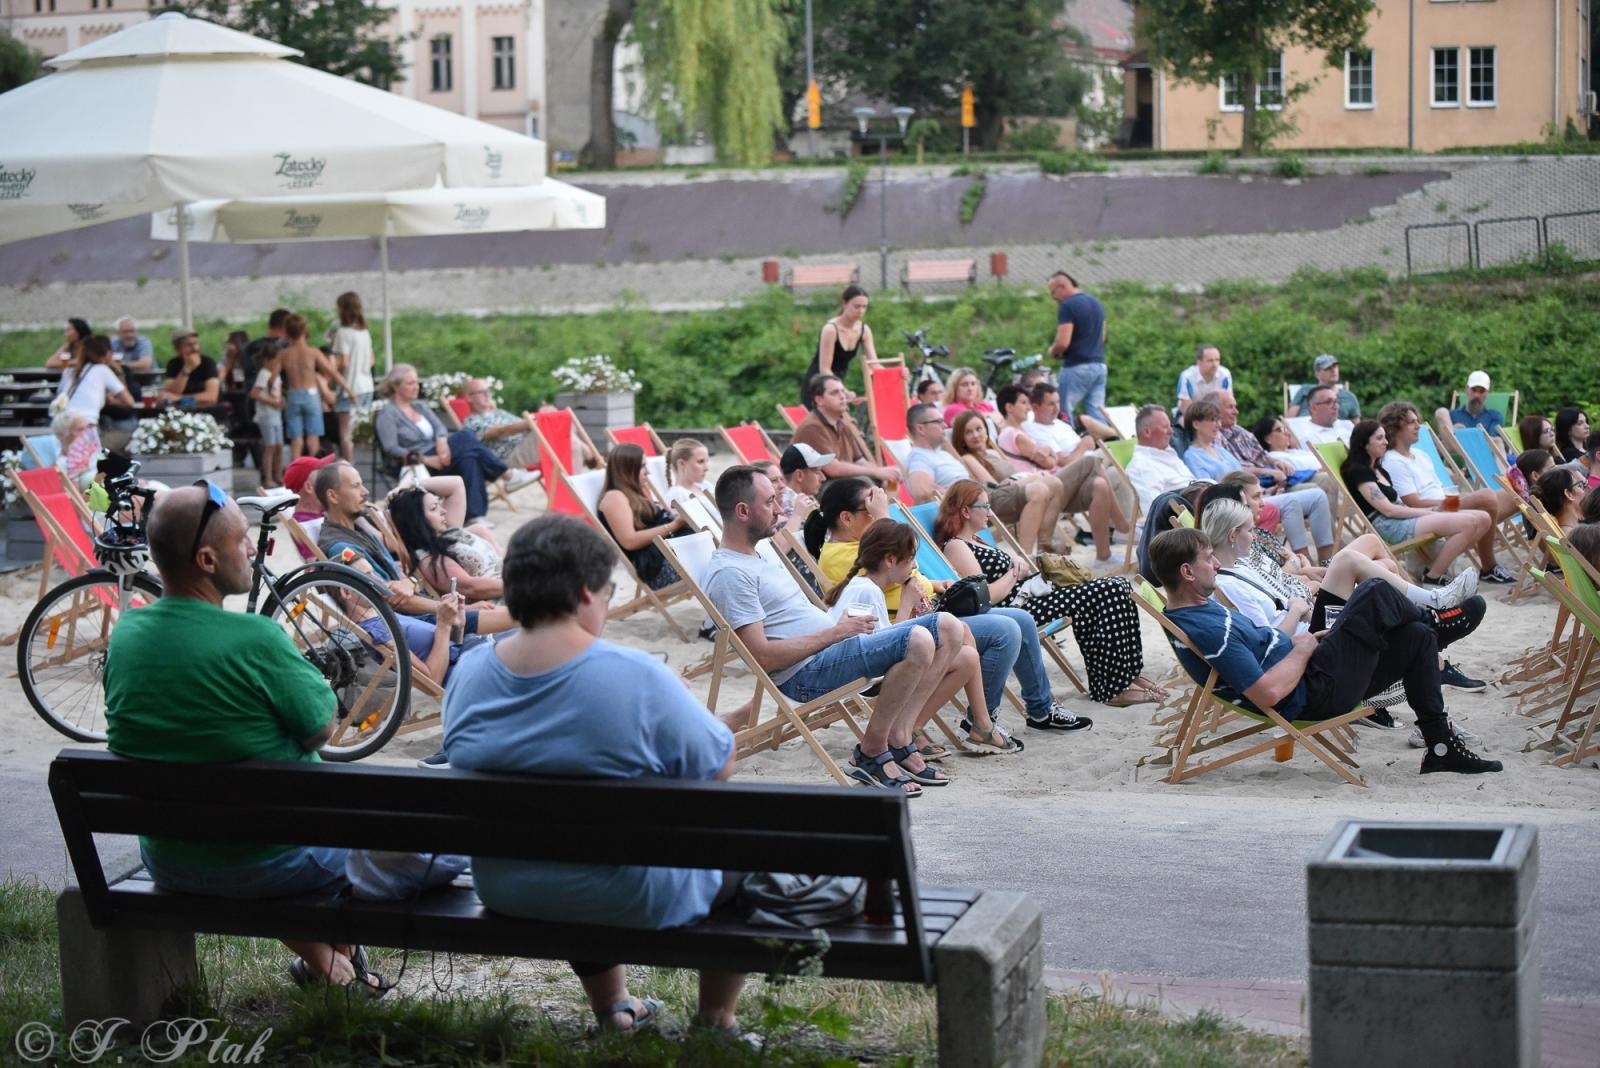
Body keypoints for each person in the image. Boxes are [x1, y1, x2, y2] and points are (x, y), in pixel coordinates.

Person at [442, 513, 746, 1036]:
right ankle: (716, 1021)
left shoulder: (469, 671)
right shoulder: (637, 674)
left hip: (506, 886)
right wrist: (676, 696)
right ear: (586, 594)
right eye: (608, 592)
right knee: (743, 852)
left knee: (571, 847)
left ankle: (614, 1009)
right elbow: (718, 765)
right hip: (627, 892)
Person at [103, 484, 394, 994]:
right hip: (274, 860)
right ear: (207, 558)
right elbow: (322, 728)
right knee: (367, 837)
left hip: (170, 859)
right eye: (241, 541)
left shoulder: (125, 636)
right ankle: (339, 962)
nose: (254, 552)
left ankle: (331, 967)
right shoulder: (257, 640)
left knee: (250, 831)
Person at [1151, 527, 1501, 775]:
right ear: (1187, 572)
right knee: (1374, 591)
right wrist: (1302, 650)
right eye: (1209, 560)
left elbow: (1265, 649)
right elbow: (1267, 692)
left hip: (1314, 670)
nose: (1216, 565)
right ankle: (1436, 617)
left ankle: (1441, 747)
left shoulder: (1202, 610)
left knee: (1416, 638)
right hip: (1314, 691)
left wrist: (1308, 642)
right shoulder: (1209, 629)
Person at [703, 466, 964, 795]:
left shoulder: (758, 554)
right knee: (919, 639)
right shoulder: (730, 574)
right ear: (743, 511)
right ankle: (872, 751)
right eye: (770, 502)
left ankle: (900, 735)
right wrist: (836, 632)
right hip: (806, 674)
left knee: (950, 627)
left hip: (833, 649)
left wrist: (839, 631)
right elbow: (763, 657)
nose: (781, 509)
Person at [805, 475, 1088, 736]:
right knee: (1005, 630)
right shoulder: (838, 555)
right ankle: (981, 719)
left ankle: (1040, 710)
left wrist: (935, 584)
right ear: (846, 518)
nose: (883, 510)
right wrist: (883, 517)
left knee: (1022, 619)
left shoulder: (862, 542)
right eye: (872, 507)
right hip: (901, 632)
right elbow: (897, 572)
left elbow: (907, 574)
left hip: (927, 614)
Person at [934, 480, 1161, 707]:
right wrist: (1014, 572)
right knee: (1109, 590)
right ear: (965, 511)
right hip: (1016, 611)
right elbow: (985, 598)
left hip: (1032, 597)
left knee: (1119, 585)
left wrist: (1017, 563)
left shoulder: (977, 540)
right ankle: (1113, 687)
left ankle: (1126, 675)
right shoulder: (956, 546)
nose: (990, 513)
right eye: (985, 506)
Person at [825, 518, 1011, 761]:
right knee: (959, 637)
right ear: (890, 560)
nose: (915, 566)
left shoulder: (867, 587)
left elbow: (880, 642)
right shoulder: (866, 590)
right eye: (911, 558)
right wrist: (906, 605)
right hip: (862, 677)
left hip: (871, 669)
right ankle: (912, 728)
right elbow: (883, 651)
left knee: (967, 656)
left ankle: (913, 725)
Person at [312, 460, 512, 636]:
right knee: (525, 614)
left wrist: (411, 581)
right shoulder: (340, 546)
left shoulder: (357, 529)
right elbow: (390, 596)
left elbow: (402, 579)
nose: (365, 492)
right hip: (420, 624)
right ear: (333, 496)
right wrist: (455, 608)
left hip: (426, 613)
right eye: (356, 486)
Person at [1377, 401, 1517, 584]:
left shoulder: (1421, 455)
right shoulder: (1393, 461)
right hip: (1431, 511)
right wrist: (1448, 502)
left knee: (1514, 497)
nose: (1418, 425)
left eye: (1417, 420)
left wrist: (1454, 498)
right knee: (1487, 496)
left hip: (1446, 504)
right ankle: (1488, 566)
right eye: (1411, 422)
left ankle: (1489, 567)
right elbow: (1412, 502)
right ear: (1394, 428)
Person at [1186, 398, 1335, 563]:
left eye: (1217, 419)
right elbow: (1209, 488)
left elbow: (1240, 474)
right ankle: (1303, 559)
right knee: (1291, 502)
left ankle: (1325, 559)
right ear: (1196, 424)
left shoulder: (1220, 449)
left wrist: (1262, 491)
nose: (1217, 424)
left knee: (1318, 495)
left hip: (1253, 495)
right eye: (1211, 420)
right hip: (1233, 504)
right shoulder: (1192, 455)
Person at [1341, 420, 1489, 585]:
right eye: (1379, 438)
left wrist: (1434, 509)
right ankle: (1433, 576)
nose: (1386, 442)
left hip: (1403, 517)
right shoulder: (1358, 471)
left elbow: (1397, 506)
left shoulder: (1378, 469)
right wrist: (1430, 512)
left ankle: (1437, 566)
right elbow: (1389, 511)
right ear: (1364, 443)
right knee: (1469, 522)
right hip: (1390, 525)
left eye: (1385, 437)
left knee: (1483, 518)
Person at [995, 384, 1129, 563]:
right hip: (1043, 487)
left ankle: (1104, 555)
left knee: (1100, 485)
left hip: (1054, 485)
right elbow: (1049, 462)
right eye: (1024, 403)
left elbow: (1049, 458)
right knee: (1091, 461)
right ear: (1009, 407)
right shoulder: (1013, 434)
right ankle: (1122, 524)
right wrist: (1052, 451)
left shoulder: (1023, 431)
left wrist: (1048, 451)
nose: (1028, 407)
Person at [905, 402, 1055, 555]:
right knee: (1038, 490)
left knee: (1049, 483)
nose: (944, 425)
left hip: (983, 494)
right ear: (921, 428)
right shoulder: (919, 457)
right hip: (973, 503)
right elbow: (921, 491)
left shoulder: (940, 454)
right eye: (938, 421)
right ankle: (1027, 558)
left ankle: (1040, 549)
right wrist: (958, 495)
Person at [375, 363, 509, 523]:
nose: (416, 387)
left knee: (469, 458)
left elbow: (440, 428)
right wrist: (425, 459)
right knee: (465, 435)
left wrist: (441, 442)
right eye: (410, 383)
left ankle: (474, 516)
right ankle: (506, 474)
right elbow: (390, 447)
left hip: (440, 458)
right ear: (396, 387)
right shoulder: (387, 414)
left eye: (417, 382)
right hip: (418, 465)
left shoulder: (420, 407)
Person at [951, 410, 1076, 555]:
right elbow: (994, 487)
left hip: (1016, 488)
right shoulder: (968, 458)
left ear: (986, 429)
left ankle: (1044, 545)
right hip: (999, 498)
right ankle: (1027, 556)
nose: (976, 435)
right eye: (968, 432)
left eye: (979, 429)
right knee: (1043, 486)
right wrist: (1032, 478)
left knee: (1055, 483)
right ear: (961, 438)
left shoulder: (993, 453)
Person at [597, 443, 689, 590]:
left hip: (664, 556)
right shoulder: (614, 497)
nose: (648, 472)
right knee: (717, 555)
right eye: (642, 466)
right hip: (657, 568)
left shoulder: (633, 494)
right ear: (627, 469)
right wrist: (673, 526)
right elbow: (629, 541)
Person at [388, 485, 503, 601]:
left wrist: (413, 484)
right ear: (417, 520)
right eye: (434, 508)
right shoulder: (430, 560)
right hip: (502, 596)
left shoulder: (447, 535)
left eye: (439, 505)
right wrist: (517, 585)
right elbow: (471, 588)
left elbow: (455, 482)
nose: (443, 511)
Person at [459, 381, 585, 483]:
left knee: (562, 426)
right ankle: (585, 464)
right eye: (482, 392)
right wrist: (538, 418)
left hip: (524, 444)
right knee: (559, 427)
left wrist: (538, 418)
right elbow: (500, 431)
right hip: (509, 456)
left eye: (488, 391)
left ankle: (576, 486)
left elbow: (523, 424)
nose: (487, 395)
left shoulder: (500, 413)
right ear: (469, 397)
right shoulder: (471, 421)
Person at [791, 374, 898, 483]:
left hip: (840, 484)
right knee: (864, 483)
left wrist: (882, 472)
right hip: (817, 489)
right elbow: (833, 469)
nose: (842, 396)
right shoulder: (812, 427)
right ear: (819, 400)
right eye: (835, 393)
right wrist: (875, 472)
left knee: (886, 481)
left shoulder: (842, 424)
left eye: (843, 391)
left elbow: (859, 461)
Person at [1046, 270, 1108, 426]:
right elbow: (1102, 337)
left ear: (1062, 286)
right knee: (1097, 410)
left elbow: (1063, 342)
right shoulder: (1096, 303)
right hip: (1099, 366)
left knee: (1064, 410)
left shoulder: (1068, 306)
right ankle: (1109, 443)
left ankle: (1068, 444)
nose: (1053, 297)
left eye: (1053, 292)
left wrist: (1052, 350)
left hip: (1077, 366)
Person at [801, 284, 879, 407]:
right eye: (856, 306)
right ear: (844, 303)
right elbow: (825, 370)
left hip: (837, 386)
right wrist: (844, 392)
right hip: (819, 387)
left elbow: (874, 364)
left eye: (864, 307)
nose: (861, 311)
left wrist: (897, 374)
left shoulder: (864, 330)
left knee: (844, 424)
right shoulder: (830, 329)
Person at [1125, 405, 1198, 533]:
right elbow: (1155, 510)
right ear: (1147, 432)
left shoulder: (1168, 454)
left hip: (1202, 506)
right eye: (1165, 427)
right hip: (1188, 516)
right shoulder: (1142, 466)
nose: (1171, 431)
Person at [277, 315, 340, 459]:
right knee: (313, 438)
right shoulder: (313, 352)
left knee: (296, 440)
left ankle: (294, 475)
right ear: (305, 331)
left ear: (287, 332)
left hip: (293, 394)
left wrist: (279, 395)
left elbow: (272, 378)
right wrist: (348, 390)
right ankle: (314, 474)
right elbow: (332, 372)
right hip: (311, 395)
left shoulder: (284, 354)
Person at [328, 291, 376, 463]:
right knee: (356, 429)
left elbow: (344, 362)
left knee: (345, 431)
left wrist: (333, 370)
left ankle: (347, 465)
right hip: (367, 385)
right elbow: (371, 359)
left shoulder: (343, 333)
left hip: (349, 387)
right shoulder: (364, 332)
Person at [56, 334, 135, 424]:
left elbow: (61, 395)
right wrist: (111, 401)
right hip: (86, 423)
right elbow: (129, 401)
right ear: (108, 353)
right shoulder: (102, 370)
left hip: (62, 422)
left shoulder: (69, 371)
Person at [250, 344, 286, 490]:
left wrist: (282, 401)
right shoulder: (264, 373)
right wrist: (273, 402)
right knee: (270, 446)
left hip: (275, 414)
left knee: (279, 446)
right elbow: (255, 393)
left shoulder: (275, 376)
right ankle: (268, 477)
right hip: (266, 415)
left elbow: (277, 391)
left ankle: (278, 475)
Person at [1287, 354, 1360, 419]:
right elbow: (1289, 422)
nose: (1333, 370)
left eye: (1335, 366)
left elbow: (1357, 430)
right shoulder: (1304, 390)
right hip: (1303, 432)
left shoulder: (1349, 397)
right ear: (1317, 374)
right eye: (1328, 368)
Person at [160, 329, 221, 405]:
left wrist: (179, 398)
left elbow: (211, 397)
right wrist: (187, 369)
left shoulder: (208, 362)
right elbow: (172, 392)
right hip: (180, 410)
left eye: (196, 343)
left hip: (207, 410)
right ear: (177, 349)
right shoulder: (173, 364)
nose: (195, 348)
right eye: (188, 345)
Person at [1437, 370, 1504, 437]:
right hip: (1454, 446)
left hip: (1483, 447)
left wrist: (1462, 434)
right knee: (1441, 412)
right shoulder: (1451, 416)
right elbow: (1440, 444)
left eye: (1481, 391)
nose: (1476, 395)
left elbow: (1493, 443)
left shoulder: (1494, 417)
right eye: (1473, 390)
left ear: (1487, 393)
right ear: (1466, 389)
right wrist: (1452, 431)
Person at [1175, 344, 1231, 416]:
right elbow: (1186, 408)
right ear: (1199, 362)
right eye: (1210, 361)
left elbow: (1228, 403)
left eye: (1217, 360)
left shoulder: (1225, 375)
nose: (1214, 365)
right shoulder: (1187, 377)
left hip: (1216, 416)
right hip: (1189, 415)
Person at [51, 409, 100, 491]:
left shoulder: (95, 450)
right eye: (80, 429)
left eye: (88, 428)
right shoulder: (63, 464)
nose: (86, 433)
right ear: (64, 434)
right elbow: (75, 501)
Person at [663, 437, 713, 512]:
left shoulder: (705, 485)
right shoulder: (677, 496)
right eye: (700, 462)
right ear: (682, 463)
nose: (706, 468)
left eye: (707, 461)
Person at [1536, 467, 1587, 532]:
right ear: (1569, 494)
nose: (1583, 491)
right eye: (1579, 485)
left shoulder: (1566, 531)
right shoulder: (1579, 535)